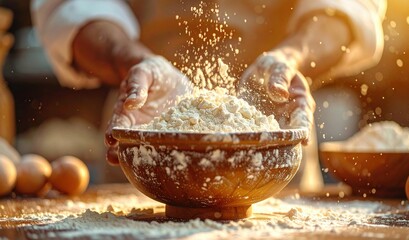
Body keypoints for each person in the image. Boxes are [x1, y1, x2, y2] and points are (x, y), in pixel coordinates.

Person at [31, 0, 387, 186]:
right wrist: (131, 61)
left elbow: (350, 5)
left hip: (272, 142)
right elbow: (68, 5)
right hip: (148, 121)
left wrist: (291, 57)